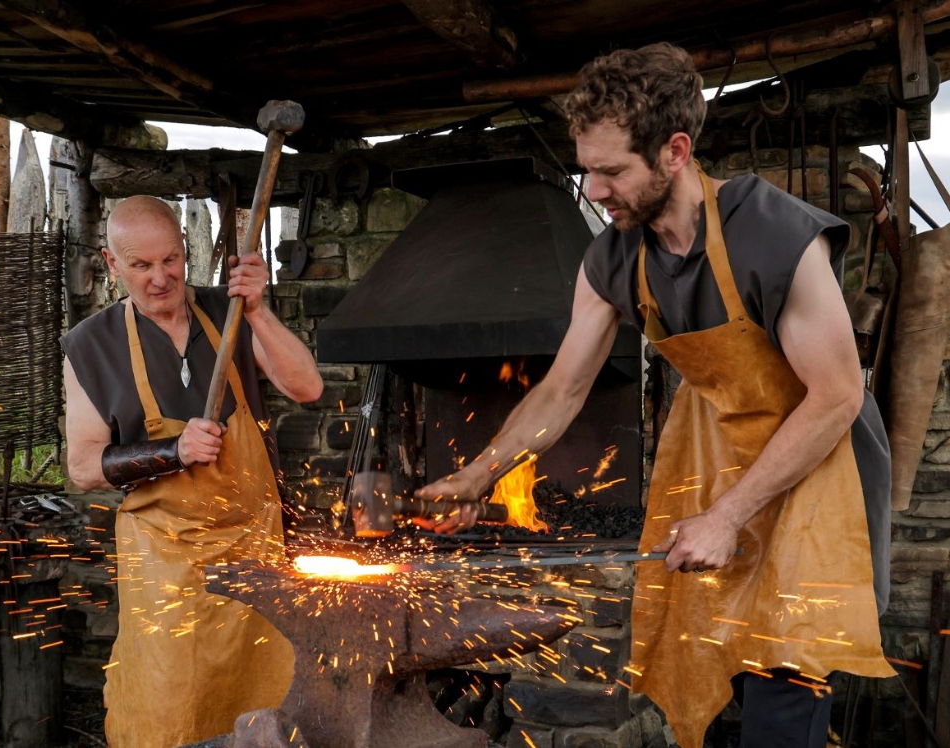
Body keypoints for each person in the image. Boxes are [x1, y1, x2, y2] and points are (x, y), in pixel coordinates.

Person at [417, 44, 893, 748]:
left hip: (821, 466)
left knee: (784, 672)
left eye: (612, 172)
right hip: (720, 448)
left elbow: (835, 397)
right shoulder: (614, 257)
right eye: (588, 173)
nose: (597, 192)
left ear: (675, 151)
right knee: (701, 644)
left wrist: (728, 516)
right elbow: (562, 388)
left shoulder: (771, 233)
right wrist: (478, 474)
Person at [62, 196, 323, 748]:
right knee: (167, 707)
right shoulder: (91, 346)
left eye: (172, 260)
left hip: (254, 552)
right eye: (142, 265)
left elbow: (308, 388)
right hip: (165, 560)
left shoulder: (227, 313)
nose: (161, 278)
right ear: (112, 264)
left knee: (263, 703)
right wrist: (171, 453)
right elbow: (84, 467)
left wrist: (257, 311)